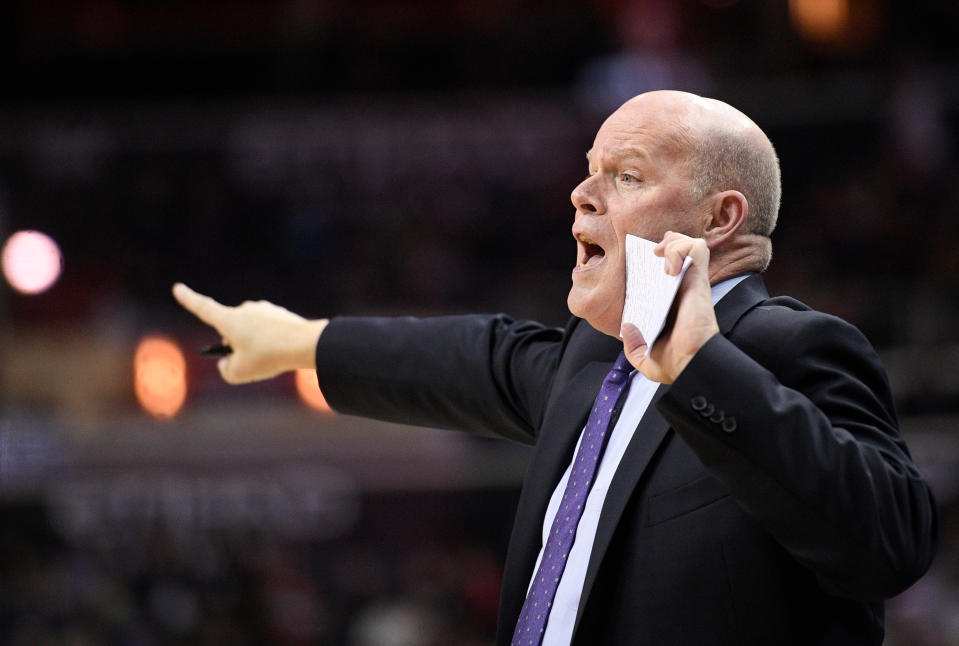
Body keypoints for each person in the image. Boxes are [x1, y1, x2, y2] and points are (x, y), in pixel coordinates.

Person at [173, 90, 938, 645]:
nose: (580, 195)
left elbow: (889, 542)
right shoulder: (594, 362)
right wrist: (301, 341)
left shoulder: (792, 346)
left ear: (719, 218)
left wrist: (701, 367)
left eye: (626, 176)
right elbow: (475, 360)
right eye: (588, 170)